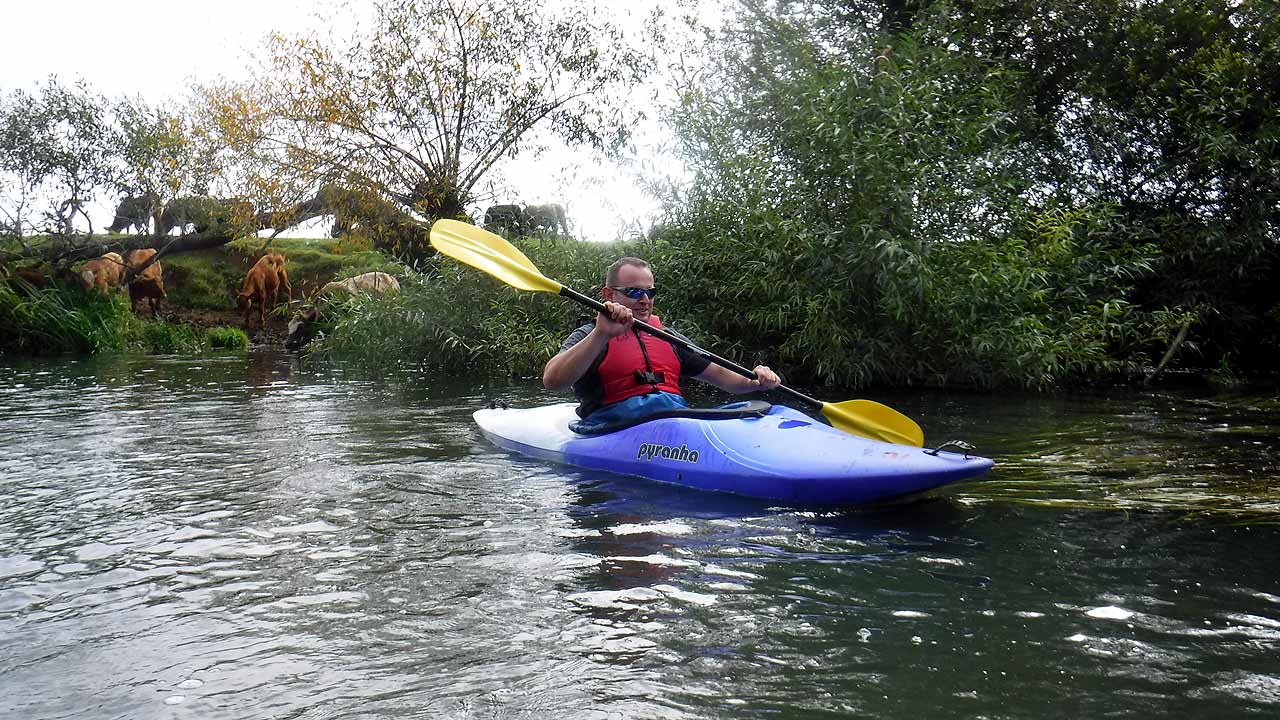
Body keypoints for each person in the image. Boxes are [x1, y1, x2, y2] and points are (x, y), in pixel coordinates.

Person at [543, 256, 782, 433]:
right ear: (609, 294)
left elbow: (725, 377)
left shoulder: (669, 338)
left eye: (650, 292)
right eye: (634, 292)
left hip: (674, 423)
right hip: (613, 430)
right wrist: (600, 335)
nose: (645, 300)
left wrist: (755, 380)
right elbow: (552, 381)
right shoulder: (591, 335)